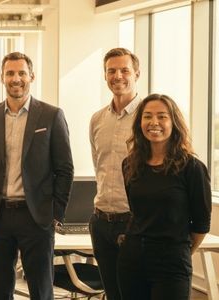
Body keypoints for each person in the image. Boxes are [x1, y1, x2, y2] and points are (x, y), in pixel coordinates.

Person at [0, 52, 73, 299]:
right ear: (2, 78)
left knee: (41, 290)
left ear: (31, 76)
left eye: (21, 73)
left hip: (36, 217)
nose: (16, 79)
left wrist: (55, 214)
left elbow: (65, 169)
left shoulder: (51, 115)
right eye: (10, 73)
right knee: (0, 292)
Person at [118, 93, 211, 299]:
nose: (154, 122)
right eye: (147, 116)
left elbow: (201, 224)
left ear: (174, 122)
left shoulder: (192, 168)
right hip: (132, 259)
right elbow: (136, 212)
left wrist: (179, 251)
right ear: (139, 122)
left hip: (172, 261)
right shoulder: (130, 164)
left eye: (162, 116)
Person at [88, 47, 141, 300]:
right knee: (112, 293)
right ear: (105, 75)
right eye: (112, 71)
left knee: (134, 293)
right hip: (101, 222)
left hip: (134, 221)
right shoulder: (97, 119)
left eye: (124, 70)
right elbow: (98, 165)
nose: (117, 76)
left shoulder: (148, 118)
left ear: (136, 74)